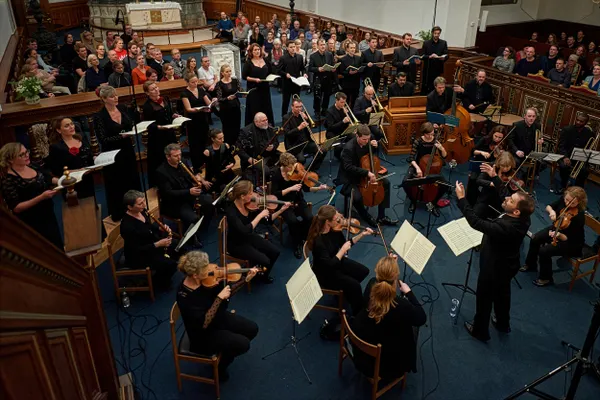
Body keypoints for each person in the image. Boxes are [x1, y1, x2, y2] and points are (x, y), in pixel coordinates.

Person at [455, 181, 534, 342]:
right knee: (502, 294)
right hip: (509, 264)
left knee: (484, 298)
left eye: (511, 200)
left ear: (516, 211)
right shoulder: (524, 219)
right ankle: (503, 323)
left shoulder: (507, 227)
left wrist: (462, 198)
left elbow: (476, 222)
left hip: (494, 267)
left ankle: (480, 331)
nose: (506, 199)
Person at [177, 250, 259, 381]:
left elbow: (227, 292)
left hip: (217, 317)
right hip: (202, 335)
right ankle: (220, 368)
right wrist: (219, 299)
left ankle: (227, 350)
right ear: (195, 275)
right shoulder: (185, 296)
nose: (209, 270)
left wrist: (245, 280)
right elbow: (203, 323)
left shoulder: (206, 280)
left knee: (252, 329)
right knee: (243, 344)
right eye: (205, 269)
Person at [352, 255, 426, 379]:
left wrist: (389, 264)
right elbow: (421, 318)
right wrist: (409, 293)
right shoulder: (401, 305)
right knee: (413, 327)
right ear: (395, 278)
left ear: (377, 274)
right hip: (385, 365)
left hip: (360, 353)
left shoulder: (371, 285)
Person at [306, 205, 370, 314]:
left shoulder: (335, 230)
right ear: (327, 222)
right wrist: (342, 251)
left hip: (337, 261)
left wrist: (362, 234)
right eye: (336, 219)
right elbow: (330, 265)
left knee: (364, 271)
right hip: (326, 273)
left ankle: (347, 292)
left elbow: (346, 244)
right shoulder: (319, 242)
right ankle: (358, 313)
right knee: (355, 286)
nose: (339, 221)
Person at [0, 143, 62, 249]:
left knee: (57, 242)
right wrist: (41, 197)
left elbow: (47, 177)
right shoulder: (8, 180)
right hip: (33, 220)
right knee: (45, 247)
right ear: (10, 160)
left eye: (26, 151)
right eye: (21, 155)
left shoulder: (31, 165)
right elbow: (16, 207)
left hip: (48, 212)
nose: (27, 155)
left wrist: (61, 181)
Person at [522, 187, 587, 287]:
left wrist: (559, 235)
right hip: (557, 227)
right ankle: (530, 264)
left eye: (572, 202)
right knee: (536, 238)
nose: (567, 203)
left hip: (571, 242)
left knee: (544, 251)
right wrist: (552, 211)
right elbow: (549, 206)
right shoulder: (564, 200)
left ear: (579, 202)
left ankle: (546, 278)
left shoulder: (579, 217)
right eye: (566, 199)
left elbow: (568, 238)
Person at [94, 86, 140, 221]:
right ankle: (119, 212)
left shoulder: (123, 108)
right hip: (112, 154)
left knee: (131, 177)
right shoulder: (99, 116)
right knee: (116, 182)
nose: (116, 98)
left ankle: (136, 207)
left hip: (127, 150)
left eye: (116, 95)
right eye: (112, 96)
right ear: (104, 99)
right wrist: (121, 136)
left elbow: (130, 124)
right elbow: (103, 139)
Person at [225, 180, 285, 283]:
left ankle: (263, 273)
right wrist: (259, 216)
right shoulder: (231, 212)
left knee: (275, 252)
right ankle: (259, 275)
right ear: (242, 196)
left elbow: (268, 221)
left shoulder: (249, 205)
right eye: (250, 193)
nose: (253, 195)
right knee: (265, 260)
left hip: (249, 237)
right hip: (237, 244)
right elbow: (244, 230)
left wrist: (281, 209)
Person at [338, 125, 398, 227]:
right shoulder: (348, 148)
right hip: (349, 178)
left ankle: (382, 216)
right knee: (357, 197)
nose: (367, 141)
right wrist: (367, 173)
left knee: (386, 183)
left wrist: (375, 147)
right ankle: (366, 216)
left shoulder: (368, 141)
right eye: (364, 139)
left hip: (364, 175)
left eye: (368, 139)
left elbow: (369, 157)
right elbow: (348, 167)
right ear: (357, 136)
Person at [155, 144, 215, 245]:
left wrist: (198, 180)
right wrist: (189, 191)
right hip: (174, 202)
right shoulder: (161, 172)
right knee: (193, 218)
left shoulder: (182, 162)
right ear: (168, 157)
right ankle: (191, 237)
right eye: (176, 156)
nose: (179, 158)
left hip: (189, 195)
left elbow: (190, 176)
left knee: (210, 203)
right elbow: (167, 193)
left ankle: (200, 228)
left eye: (180, 154)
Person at [271, 153, 329, 258]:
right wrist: (290, 188)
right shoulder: (276, 174)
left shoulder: (296, 171)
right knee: (293, 221)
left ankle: (306, 237)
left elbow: (306, 188)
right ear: (283, 166)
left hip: (298, 200)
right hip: (284, 203)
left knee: (310, 217)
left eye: (293, 166)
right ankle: (297, 243)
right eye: (290, 167)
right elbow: (275, 194)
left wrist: (319, 188)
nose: (292, 169)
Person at [120, 190, 177, 289]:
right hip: (139, 255)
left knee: (177, 246)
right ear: (130, 207)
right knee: (171, 265)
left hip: (150, 244)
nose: (144, 205)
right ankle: (156, 283)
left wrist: (159, 228)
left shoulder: (142, 211)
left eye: (144, 201)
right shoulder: (127, 226)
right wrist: (158, 244)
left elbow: (148, 226)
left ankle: (162, 272)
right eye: (140, 203)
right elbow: (136, 249)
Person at [403, 122, 449, 216]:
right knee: (405, 182)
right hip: (418, 165)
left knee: (445, 185)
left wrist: (441, 148)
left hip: (433, 167)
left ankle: (433, 203)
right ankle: (413, 201)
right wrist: (417, 168)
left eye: (432, 134)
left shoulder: (436, 140)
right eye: (428, 134)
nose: (431, 136)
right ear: (423, 133)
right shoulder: (418, 141)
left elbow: (444, 156)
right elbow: (411, 158)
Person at [45, 117, 95, 199]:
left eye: (72, 124)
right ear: (59, 130)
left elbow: (89, 156)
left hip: (88, 179)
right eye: (67, 126)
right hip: (71, 184)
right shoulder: (56, 147)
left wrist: (95, 158)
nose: (71, 127)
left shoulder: (81, 137)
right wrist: (80, 171)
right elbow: (58, 171)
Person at [142, 81, 179, 186]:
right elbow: (149, 124)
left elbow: (169, 113)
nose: (156, 90)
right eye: (153, 89)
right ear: (147, 93)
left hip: (169, 132)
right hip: (158, 137)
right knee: (161, 160)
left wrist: (174, 116)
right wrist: (159, 127)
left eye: (156, 87)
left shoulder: (165, 99)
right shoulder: (147, 106)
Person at [466, 126, 510, 205]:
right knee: (473, 179)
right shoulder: (485, 139)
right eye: (495, 136)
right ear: (492, 134)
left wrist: (502, 154)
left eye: (500, 137)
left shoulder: (504, 143)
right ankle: (471, 201)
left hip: (492, 167)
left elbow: (505, 158)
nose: (497, 139)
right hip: (480, 164)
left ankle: (487, 201)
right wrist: (481, 152)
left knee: (495, 182)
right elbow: (473, 151)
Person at [180, 75, 214, 171]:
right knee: (195, 143)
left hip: (203, 119)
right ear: (187, 82)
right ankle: (197, 166)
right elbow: (188, 109)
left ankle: (205, 162)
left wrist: (211, 104)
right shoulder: (184, 93)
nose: (195, 84)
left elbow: (208, 103)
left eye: (196, 81)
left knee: (204, 140)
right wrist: (200, 109)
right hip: (193, 121)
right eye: (192, 82)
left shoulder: (200, 90)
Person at [473, 152, 520, 220]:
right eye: (503, 166)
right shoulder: (491, 166)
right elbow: (479, 180)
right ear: (499, 163)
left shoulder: (512, 172)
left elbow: (508, 193)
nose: (505, 169)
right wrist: (492, 183)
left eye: (508, 166)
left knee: (503, 219)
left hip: (501, 199)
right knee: (476, 214)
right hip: (487, 195)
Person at [556, 114, 594, 191]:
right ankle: (564, 185)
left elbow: (588, 149)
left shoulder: (589, 133)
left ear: (585, 123)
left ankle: (578, 188)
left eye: (581, 121)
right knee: (564, 166)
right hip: (566, 155)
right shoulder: (567, 130)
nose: (578, 122)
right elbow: (561, 146)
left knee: (585, 170)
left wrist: (582, 158)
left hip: (580, 157)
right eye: (577, 120)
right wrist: (565, 157)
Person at [283, 98, 324, 168]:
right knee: (302, 160)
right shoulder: (286, 117)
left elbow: (312, 127)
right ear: (292, 107)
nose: (299, 109)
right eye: (297, 107)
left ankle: (311, 169)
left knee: (321, 151)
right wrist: (298, 128)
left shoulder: (303, 115)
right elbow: (287, 134)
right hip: (295, 145)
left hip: (306, 142)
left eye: (300, 107)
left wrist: (307, 119)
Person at [243, 43, 275, 125]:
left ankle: (267, 125)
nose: (257, 51)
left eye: (258, 49)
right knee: (255, 108)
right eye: (255, 50)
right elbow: (244, 76)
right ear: (251, 51)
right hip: (254, 89)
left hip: (265, 88)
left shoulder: (265, 60)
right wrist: (254, 79)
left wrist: (271, 77)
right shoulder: (248, 62)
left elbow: (270, 72)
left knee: (266, 106)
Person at [215, 64, 243, 146]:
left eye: (230, 71)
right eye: (227, 72)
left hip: (236, 106)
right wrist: (227, 98)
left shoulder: (235, 81)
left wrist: (243, 93)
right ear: (222, 73)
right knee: (227, 127)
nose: (229, 73)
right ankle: (228, 144)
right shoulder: (219, 84)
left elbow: (240, 91)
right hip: (226, 108)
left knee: (236, 126)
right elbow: (219, 98)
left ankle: (237, 144)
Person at [309, 39, 337, 117]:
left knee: (327, 96)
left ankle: (324, 110)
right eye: (321, 45)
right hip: (318, 79)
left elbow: (332, 64)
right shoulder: (313, 56)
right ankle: (317, 111)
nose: (323, 46)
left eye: (324, 45)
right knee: (317, 96)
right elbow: (310, 68)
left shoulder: (329, 54)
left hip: (328, 78)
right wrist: (318, 69)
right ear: (318, 46)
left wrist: (333, 68)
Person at [203, 129, 236, 193]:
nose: (222, 140)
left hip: (227, 174)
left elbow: (232, 160)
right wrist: (204, 181)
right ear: (213, 139)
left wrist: (231, 165)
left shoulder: (226, 146)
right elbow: (201, 169)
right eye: (220, 139)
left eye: (223, 137)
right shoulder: (207, 152)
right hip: (215, 177)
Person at [279, 41, 307, 118]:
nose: (293, 48)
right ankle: (284, 117)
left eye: (294, 46)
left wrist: (304, 74)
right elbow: (279, 70)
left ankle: (296, 117)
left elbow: (303, 68)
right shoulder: (283, 58)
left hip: (297, 83)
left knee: (297, 102)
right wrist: (286, 74)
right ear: (287, 48)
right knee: (286, 102)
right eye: (291, 47)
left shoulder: (300, 57)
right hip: (287, 83)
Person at [421, 26, 448, 94]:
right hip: (428, 68)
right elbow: (422, 56)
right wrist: (430, 56)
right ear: (432, 33)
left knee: (437, 85)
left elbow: (446, 55)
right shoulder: (426, 43)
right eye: (435, 33)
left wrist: (443, 57)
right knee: (427, 86)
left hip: (438, 68)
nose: (436, 35)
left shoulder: (443, 43)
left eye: (438, 33)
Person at [339, 42, 362, 109]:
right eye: (351, 48)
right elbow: (341, 71)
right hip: (347, 83)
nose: (353, 49)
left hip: (356, 82)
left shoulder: (358, 58)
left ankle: (353, 111)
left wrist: (359, 70)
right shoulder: (343, 59)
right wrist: (349, 73)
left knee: (355, 99)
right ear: (347, 49)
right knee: (346, 99)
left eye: (354, 48)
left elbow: (360, 68)